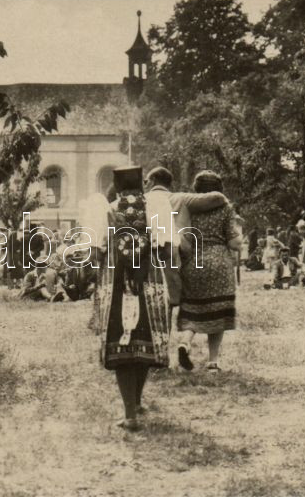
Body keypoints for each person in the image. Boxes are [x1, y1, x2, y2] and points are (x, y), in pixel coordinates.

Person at [93, 166, 170, 431]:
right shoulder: (154, 209)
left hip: (118, 284)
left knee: (122, 343)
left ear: (117, 185)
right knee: (143, 339)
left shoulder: (110, 210)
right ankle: (136, 402)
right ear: (141, 184)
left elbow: (99, 250)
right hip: (148, 285)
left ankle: (130, 415)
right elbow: (166, 246)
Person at [143, 166, 227, 336]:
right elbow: (218, 198)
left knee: (154, 299)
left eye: (146, 181)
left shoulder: (140, 200)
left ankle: (159, 341)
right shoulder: (180, 198)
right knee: (177, 298)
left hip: (145, 255)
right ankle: (184, 339)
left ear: (152, 181)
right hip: (177, 256)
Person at [178, 171, 241, 373]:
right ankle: (213, 361)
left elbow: (183, 237)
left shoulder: (187, 208)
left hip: (193, 262)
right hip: (219, 262)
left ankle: (185, 342)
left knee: (193, 308)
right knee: (218, 311)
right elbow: (234, 242)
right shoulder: (226, 208)